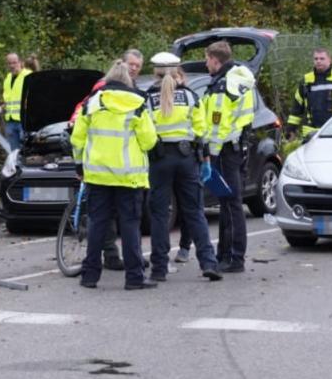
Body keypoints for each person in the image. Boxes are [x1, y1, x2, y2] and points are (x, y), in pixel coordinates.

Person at [71, 60, 158, 290]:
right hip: (129, 177)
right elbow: (149, 141)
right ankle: (134, 278)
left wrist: (80, 166)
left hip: (98, 176)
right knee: (130, 227)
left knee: (97, 224)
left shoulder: (92, 103)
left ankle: (90, 277)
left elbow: (77, 138)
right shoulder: (138, 103)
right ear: (127, 81)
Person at [145, 52, 222, 282]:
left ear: (155, 72)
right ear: (177, 71)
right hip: (187, 158)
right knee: (194, 211)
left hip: (159, 159)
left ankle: (159, 268)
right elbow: (201, 130)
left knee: (159, 215)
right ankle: (209, 263)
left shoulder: (147, 99)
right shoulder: (190, 96)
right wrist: (205, 158)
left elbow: (145, 133)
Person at [202, 41, 255, 273]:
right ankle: (225, 254)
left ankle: (233, 257)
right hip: (235, 147)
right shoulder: (238, 80)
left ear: (215, 59)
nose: (206, 64)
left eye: (207, 60)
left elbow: (217, 125)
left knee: (231, 204)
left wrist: (210, 155)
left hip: (223, 150)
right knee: (227, 204)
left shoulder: (223, 86)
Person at [285, 48, 332, 140]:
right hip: (310, 134)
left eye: (322, 58)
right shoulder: (306, 80)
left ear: (330, 60)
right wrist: (291, 129)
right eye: (316, 59)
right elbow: (297, 107)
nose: (318, 61)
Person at [0, 53, 32, 151]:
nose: (12, 66)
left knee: (26, 151)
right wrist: (1, 107)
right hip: (10, 122)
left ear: (20, 62)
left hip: (24, 121)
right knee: (14, 153)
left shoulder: (28, 76)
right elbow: (9, 101)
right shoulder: (7, 79)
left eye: (14, 63)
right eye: (9, 63)